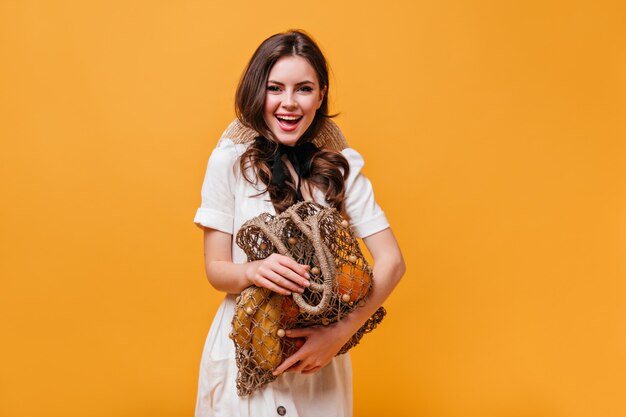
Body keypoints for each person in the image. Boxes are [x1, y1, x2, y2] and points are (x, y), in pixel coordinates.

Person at [193, 30, 405, 417]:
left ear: (321, 95)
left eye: (303, 89)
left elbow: (392, 262)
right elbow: (215, 269)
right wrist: (255, 270)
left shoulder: (342, 167)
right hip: (245, 347)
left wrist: (340, 334)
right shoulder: (228, 162)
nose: (288, 103)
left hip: (317, 362)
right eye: (275, 88)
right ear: (258, 92)